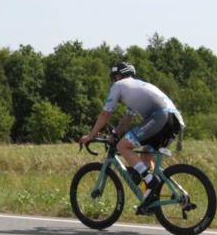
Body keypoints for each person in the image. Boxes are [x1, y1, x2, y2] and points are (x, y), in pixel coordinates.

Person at [79, 62, 185, 215]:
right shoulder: (137, 88)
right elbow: (128, 118)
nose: (113, 80)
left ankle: (151, 181)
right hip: (175, 121)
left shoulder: (119, 85)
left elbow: (105, 115)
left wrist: (90, 136)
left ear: (117, 76)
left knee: (123, 146)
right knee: (145, 162)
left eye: (113, 77)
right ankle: (150, 201)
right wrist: (115, 133)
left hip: (160, 118)